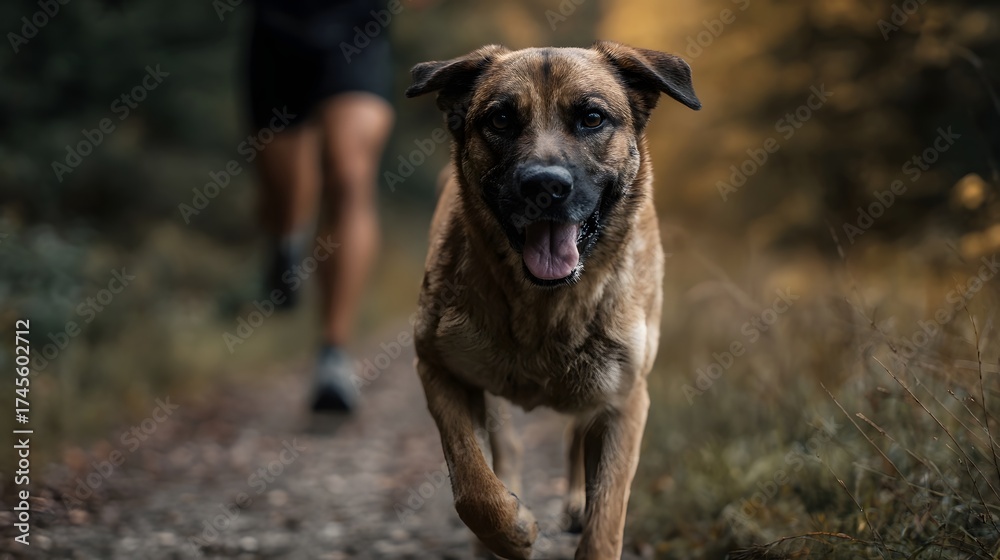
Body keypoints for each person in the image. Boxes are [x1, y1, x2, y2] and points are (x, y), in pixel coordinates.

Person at [246, 0, 394, 412]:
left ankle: (334, 353)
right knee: (284, 196)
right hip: (278, 31)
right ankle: (285, 241)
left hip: (357, 31)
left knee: (349, 176)